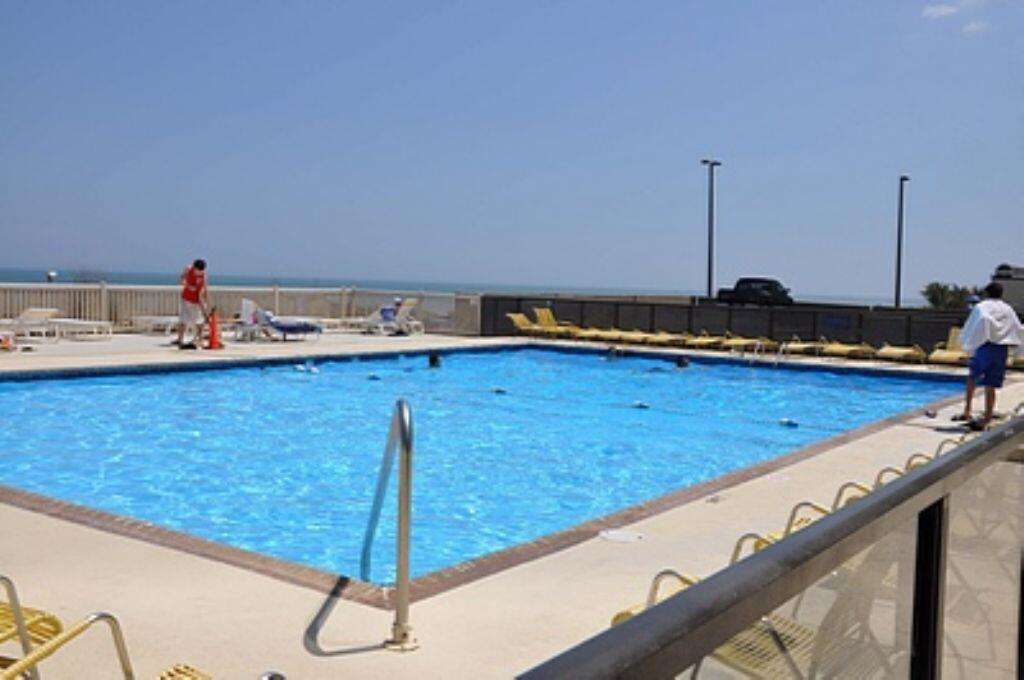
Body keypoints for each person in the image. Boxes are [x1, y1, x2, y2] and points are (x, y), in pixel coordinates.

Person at [954, 282, 1023, 430]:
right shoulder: (1008, 309)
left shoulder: (981, 307)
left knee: (973, 377)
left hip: (984, 346)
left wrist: (968, 347)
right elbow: (1017, 327)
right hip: (1001, 349)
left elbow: (973, 327)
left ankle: (967, 410)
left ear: (987, 293)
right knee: (991, 384)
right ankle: (987, 417)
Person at [175, 259, 209, 349]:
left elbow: (204, 290)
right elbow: (181, 280)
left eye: (201, 271)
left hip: (196, 301)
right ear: (194, 268)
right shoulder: (188, 269)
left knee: (200, 321)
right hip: (186, 299)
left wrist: (205, 306)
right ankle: (180, 340)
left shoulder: (203, 276)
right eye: (198, 270)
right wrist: (188, 285)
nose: (199, 272)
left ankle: (200, 340)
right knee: (183, 320)